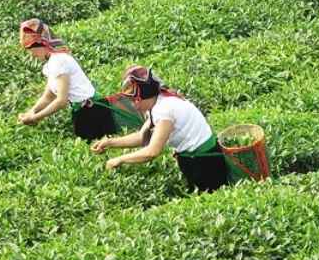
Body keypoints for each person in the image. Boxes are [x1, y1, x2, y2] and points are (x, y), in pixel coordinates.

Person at [90, 66, 228, 193]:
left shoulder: (164, 110)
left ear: (140, 98)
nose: (133, 104)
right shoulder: (158, 102)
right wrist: (109, 143)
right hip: (197, 159)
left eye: (133, 100)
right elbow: (142, 137)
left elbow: (152, 151)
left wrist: (119, 160)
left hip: (205, 163)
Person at [17, 18, 117, 140]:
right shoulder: (51, 63)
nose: (32, 54)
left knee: (98, 145)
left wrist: (36, 118)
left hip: (92, 111)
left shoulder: (58, 61)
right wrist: (32, 111)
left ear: (42, 44)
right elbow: (49, 96)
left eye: (31, 50)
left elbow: (61, 101)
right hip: (81, 111)